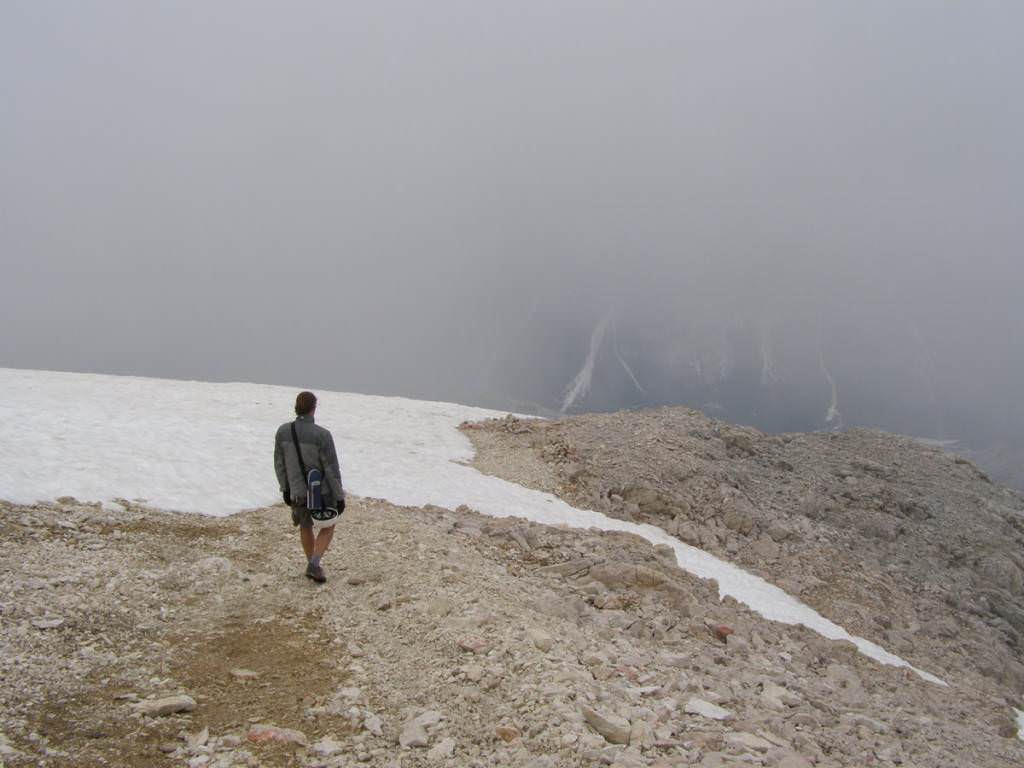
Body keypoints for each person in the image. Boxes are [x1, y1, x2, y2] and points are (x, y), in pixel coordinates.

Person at [274, 391, 345, 583]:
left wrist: (285, 489)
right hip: (321, 492)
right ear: (314, 408)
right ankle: (314, 563)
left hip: (296, 491)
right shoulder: (322, 435)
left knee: (305, 525)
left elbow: (279, 464)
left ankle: (312, 565)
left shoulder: (283, 432)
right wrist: (339, 496)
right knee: (328, 525)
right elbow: (331, 468)